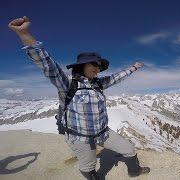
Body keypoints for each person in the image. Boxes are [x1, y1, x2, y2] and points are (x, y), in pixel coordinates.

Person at [8, 16, 150, 180]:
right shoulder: (67, 85)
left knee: (129, 149)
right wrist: (25, 34)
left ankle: (134, 171)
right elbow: (48, 65)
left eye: (99, 66)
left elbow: (116, 77)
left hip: (103, 133)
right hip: (80, 137)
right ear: (82, 66)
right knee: (88, 165)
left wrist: (133, 68)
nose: (98, 69)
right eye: (94, 65)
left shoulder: (98, 84)